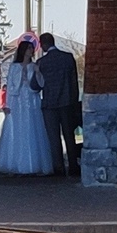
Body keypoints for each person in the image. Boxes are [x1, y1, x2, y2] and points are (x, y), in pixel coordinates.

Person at [0, 39, 50, 175]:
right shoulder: (14, 67)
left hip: (31, 100)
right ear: (23, 50)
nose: (31, 50)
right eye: (28, 48)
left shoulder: (34, 66)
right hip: (17, 101)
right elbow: (10, 87)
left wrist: (37, 72)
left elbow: (40, 84)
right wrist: (7, 105)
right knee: (16, 129)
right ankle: (14, 162)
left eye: (32, 48)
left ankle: (32, 163)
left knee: (31, 128)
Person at [33, 29, 82, 179]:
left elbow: (36, 85)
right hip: (67, 103)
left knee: (54, 137)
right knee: (69, 135)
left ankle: (58, 168)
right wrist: (74, 101)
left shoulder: (41, 63)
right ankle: (73, 166)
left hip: (49, 105)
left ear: (43, 45)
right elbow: (74, 82)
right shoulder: (68, 58)